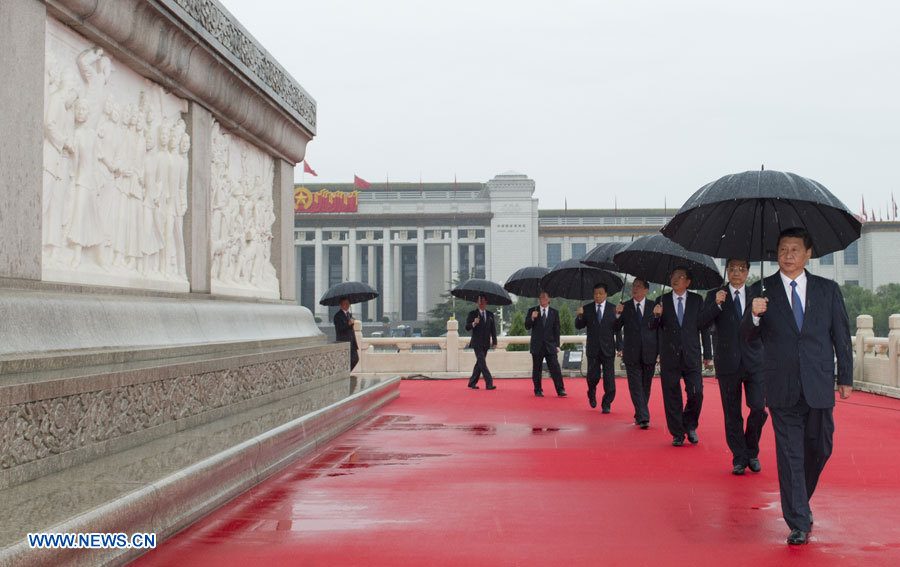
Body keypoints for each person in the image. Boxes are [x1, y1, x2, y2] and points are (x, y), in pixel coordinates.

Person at [742, 227, 852, 545]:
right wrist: (754, 315)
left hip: (818, 383)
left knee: (820, 448)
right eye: (783, 250)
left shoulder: (827, 290)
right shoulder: (762, 290)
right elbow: (746, 335)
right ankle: (799, 520)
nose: (788, 256)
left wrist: (845, 377)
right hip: (781, 386)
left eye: (794, 250)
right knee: (791, 454)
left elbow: (841, 337)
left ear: (808, 254)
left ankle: (799, 497)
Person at [699, 259, 768, 475]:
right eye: (732, 269)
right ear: (726, 271)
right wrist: (716, 305)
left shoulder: (758, 293)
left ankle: (751, 450)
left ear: (748, 272)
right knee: (732, 413)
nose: (736, 273)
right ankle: (739, 457)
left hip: (754, 361)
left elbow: (769, 327)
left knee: (758, 408)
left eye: (741, 269)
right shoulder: (715, 295)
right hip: (728, 362)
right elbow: (700, 323)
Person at [650, 267, 713, 446]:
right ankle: (677, 432)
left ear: (688, 282)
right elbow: (652, 327)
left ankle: (690, 424)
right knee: (672, 396)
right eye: (673, 276)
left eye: (680, 277)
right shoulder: (661, 300)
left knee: (697, 393)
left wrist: (707, 352)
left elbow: (704, 327)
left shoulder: (696, 300)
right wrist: (656, 316)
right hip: (669, 356)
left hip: (691, 355)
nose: (675, 279)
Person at [614, 278, 658, 429]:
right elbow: (614, 328)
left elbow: (659, 329)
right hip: (631, 353)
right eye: (633, 286)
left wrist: (659, 351)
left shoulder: (654, 306)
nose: (635, 289)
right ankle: (644, 417)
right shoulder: (624, 307)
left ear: (646, 290)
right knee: (635, 386)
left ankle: (640, 414)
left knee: (646, 386)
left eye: (639, 286)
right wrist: (617, 315)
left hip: (650, 352)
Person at [575, 283, 621, 412]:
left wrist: (620, 347)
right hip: (593, 349)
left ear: (606, 294)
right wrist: (579, 316)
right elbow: (579, 326)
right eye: (595, 293)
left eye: (600, 293)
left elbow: (617, 330)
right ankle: (591, 391)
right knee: (593, 377)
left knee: (609, 380)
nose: (598, 296)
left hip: (608, 349)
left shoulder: (613, 309)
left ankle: (607, 403)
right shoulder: (587, 308)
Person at [524, 291, 566, 397]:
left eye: (544, 297)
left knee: (555, 368)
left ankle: (560, 389)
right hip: (537, 345)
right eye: (540, 297)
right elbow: (527, 326)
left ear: (549, 299)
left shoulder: (554, 312)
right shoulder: (532, 311)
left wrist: (557, 345)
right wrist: (532, 318)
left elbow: (557, 330)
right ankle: (538, 390)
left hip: (550, 345)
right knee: (537, 369)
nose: (542, 299)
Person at [464, 295, 498, 390]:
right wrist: (474, 323)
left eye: (483, 300)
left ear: (486, 301)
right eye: (479, 300)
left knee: (479, 364)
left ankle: (472, 382)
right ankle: (489, 383)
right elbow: (467, 327)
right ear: (477, 302)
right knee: (482, 363)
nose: (481, 302)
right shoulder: (473, 314)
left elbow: (493, 330)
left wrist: (494, 341)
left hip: (486, 343)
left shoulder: (490, 314)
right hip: (477, 343)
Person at [333, 298, 359, 371]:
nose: (347, 305)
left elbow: (350, 328)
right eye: (345, 304)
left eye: (348, 304)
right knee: (345, 360)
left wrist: (351, 323)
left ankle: (347, 372)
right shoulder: (337, 316)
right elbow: (339, 329)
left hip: (352, 342)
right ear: (340, 305)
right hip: (344, 341)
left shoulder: (349, 315)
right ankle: (346, 373)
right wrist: (348, 324)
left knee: (355, 359)